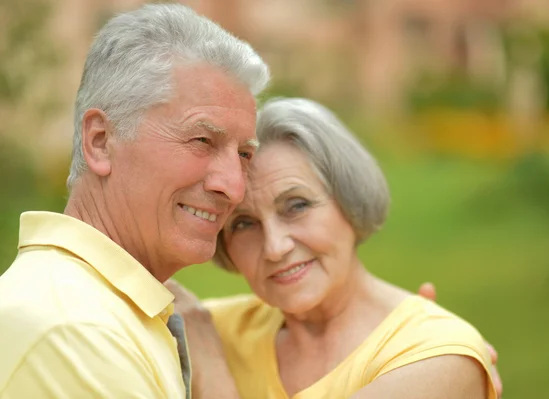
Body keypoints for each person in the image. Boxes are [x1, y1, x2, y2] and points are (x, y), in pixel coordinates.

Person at [0, 3, 269, 398]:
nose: (234, 187)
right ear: (101, 141)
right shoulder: (76, 332)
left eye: (244, 154)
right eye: (201, 140)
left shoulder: (100, 310)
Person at [169, 98, 500, 399]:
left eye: (296, 206)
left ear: (349, 200)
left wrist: (211, 370)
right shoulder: (209, 325)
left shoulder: (438, 355)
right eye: (242, 224)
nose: (274, 247)